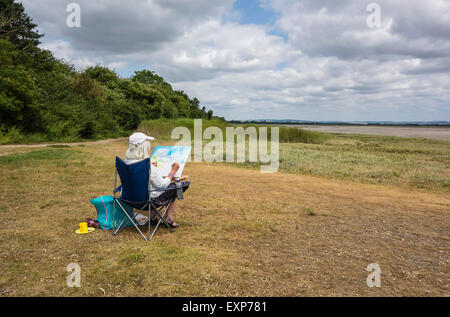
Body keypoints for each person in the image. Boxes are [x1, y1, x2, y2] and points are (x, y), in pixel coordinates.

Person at [124, 132, 186, 228]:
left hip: (129, 198)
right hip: (147, 200)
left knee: (151, 186)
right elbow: (161, 185)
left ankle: (153, 217)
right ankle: (169, 218)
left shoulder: (126, 162)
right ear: (143, 147)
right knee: (175, 187)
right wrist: (173, 171)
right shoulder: (146, 165)